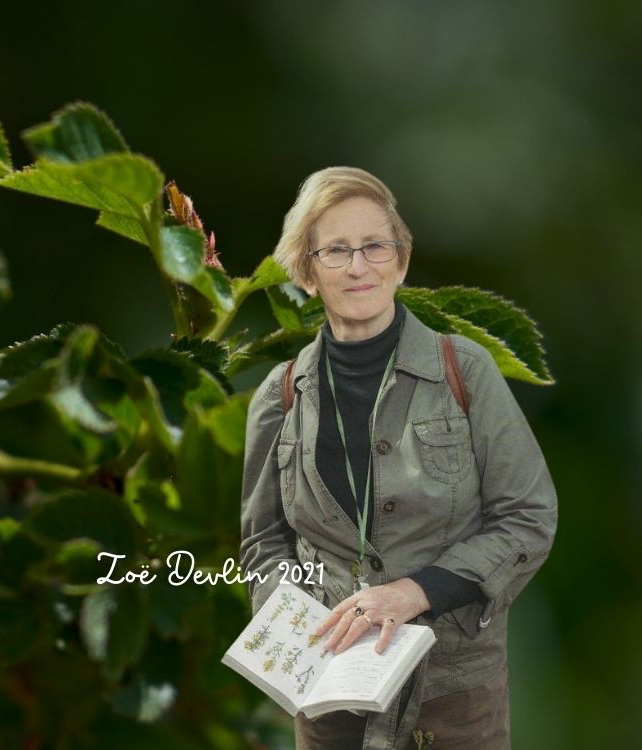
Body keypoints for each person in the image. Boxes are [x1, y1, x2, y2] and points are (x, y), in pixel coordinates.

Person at [238, 166, 557, 749]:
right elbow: (264, 544)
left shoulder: (465, 372)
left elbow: (527, 517)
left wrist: (416, 591)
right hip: (332, 705)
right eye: (335, 250)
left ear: (401, 261)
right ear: (308, 273)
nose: (359, 267)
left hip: (454, 699)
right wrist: (294, 635)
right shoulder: (280, 398)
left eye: (375, 246)